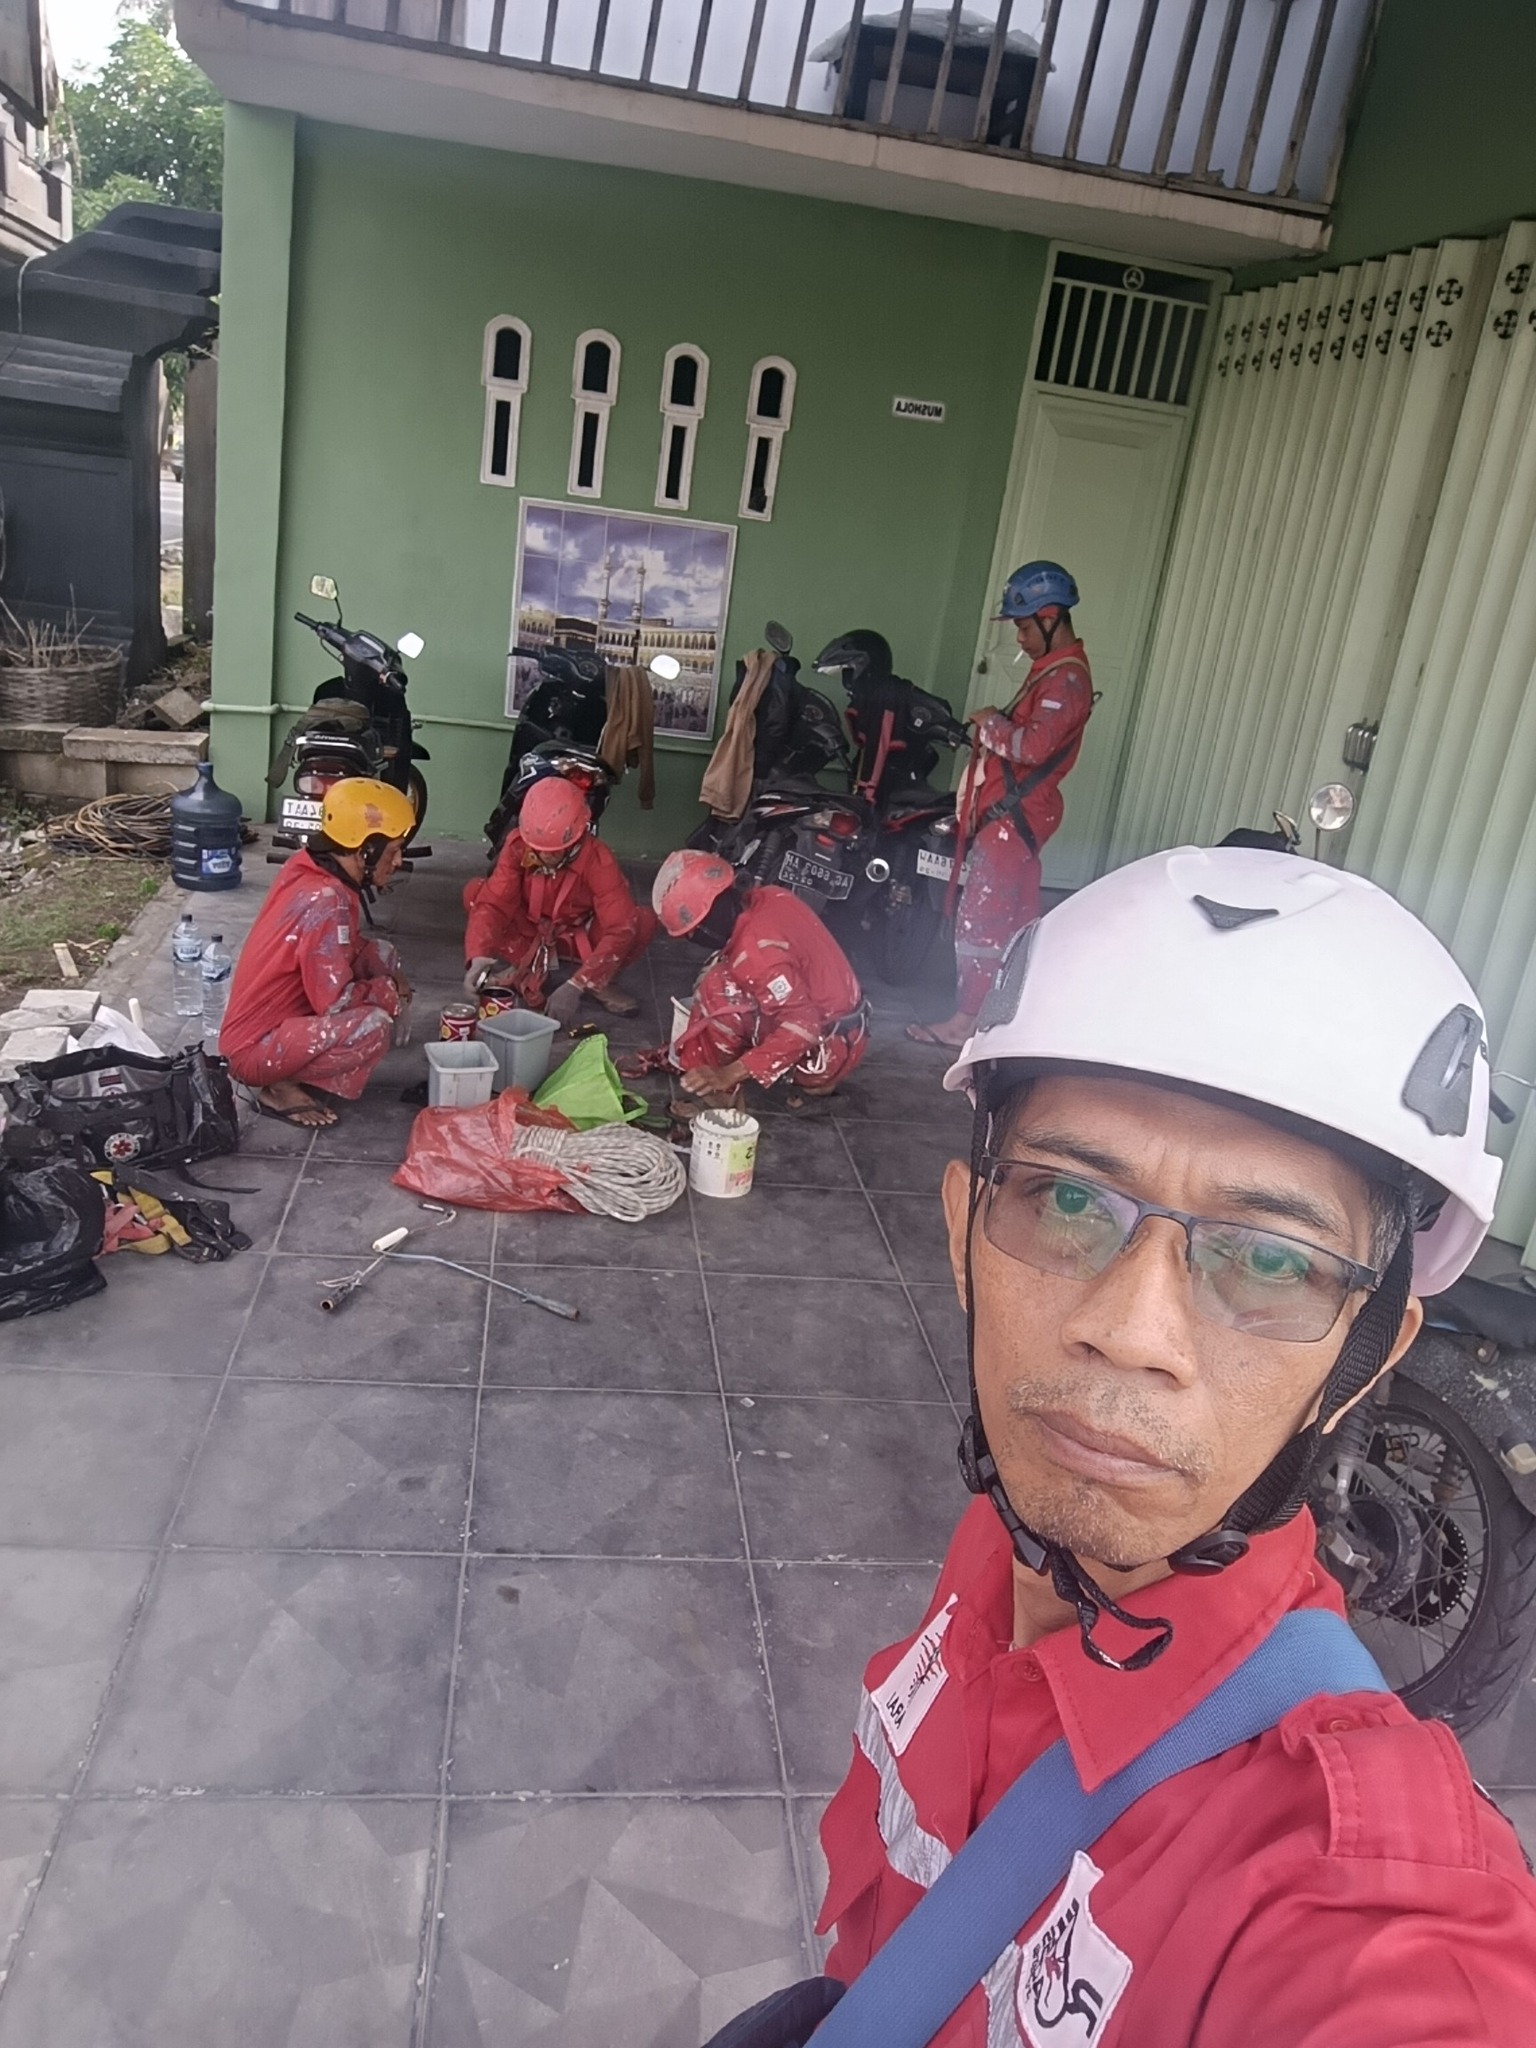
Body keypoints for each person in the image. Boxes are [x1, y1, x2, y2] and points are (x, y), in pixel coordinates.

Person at [803, 847, 1536, 2046]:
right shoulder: (1005, 1536)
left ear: (1366, 1356)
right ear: (961, 1235)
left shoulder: (1363, 1882)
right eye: (1068, 1200)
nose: (1130, 1330)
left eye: (1272, 1258)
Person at [909, 561, 1093, 1048]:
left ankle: (965, 1023)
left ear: (1050, 617)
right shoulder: (1051, 672)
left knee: (983, 922)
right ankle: (1003, 1020)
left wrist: (991, 722)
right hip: (1013, 817)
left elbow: (1033, 747)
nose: (1020, 638)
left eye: (1024, 626)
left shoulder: (1065, 680)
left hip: (1016, 819)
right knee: (1014, 923)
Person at [220, 777, 415, 1128]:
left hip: (268, 1028)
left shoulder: (310, 868)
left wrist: (392, 973)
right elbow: (337, 1003)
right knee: (373, 1027)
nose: (399, 860)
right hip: (253, 1050)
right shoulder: (327, 901)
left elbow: (350, 948)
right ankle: (279, 1086)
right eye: (393, 850)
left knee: (383, 954)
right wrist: (388, 994)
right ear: (366, 851)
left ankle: (288, 1066)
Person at [647, 849, 869, 1109]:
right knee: (729, 973)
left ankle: (722, 1101)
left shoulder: (755, 955)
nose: (692, 938)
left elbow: (804, 1026)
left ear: (708, 922)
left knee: (718, 990)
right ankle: (820, 1083)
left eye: (692, 932)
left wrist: (727, 1074)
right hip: (849, 1033)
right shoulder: (771, 896)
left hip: (822, 1054)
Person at [462, 776, 656, 1025]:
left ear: (577, 836)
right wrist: (478, 955)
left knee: (640, 921)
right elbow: (494, 904)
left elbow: (620, 927)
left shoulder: (599, 859)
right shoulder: (518, 845)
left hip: (578, 936)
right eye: (538, 848)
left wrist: (578, 984)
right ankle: (523, 966)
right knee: (475, 894)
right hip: (532, 931)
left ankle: (600, 981)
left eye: (553, 851)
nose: (544, 856)